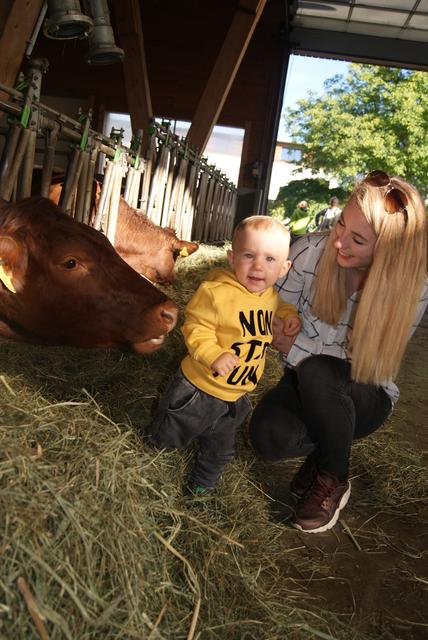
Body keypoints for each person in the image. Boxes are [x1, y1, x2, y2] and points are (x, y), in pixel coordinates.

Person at [249, 170, 427, 533]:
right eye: (340, 225)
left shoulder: (414, 288)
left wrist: (292, 344)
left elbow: (364, 365)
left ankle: (333, 476)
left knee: (318, 373)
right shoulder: (309, 252)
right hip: (302, 380)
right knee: (267, 437)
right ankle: (325, 451)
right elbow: (270, 312)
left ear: (388, 249)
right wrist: (272, 323)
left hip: (364, 392)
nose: (338, 242)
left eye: (357, 239)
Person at [146, 216, 301, 494]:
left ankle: (201, 489)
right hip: (198, 391)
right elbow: (194, 327)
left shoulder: (269, 295)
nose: (257, 266)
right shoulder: (215, 293)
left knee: (219, 451)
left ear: (283, 268)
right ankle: (149, 473)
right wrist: (213, 354)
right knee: (169, 436)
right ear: (232, 258)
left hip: (235, 399)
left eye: (269, 259)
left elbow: (279, 306)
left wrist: (289, 316)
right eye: (249, 255)